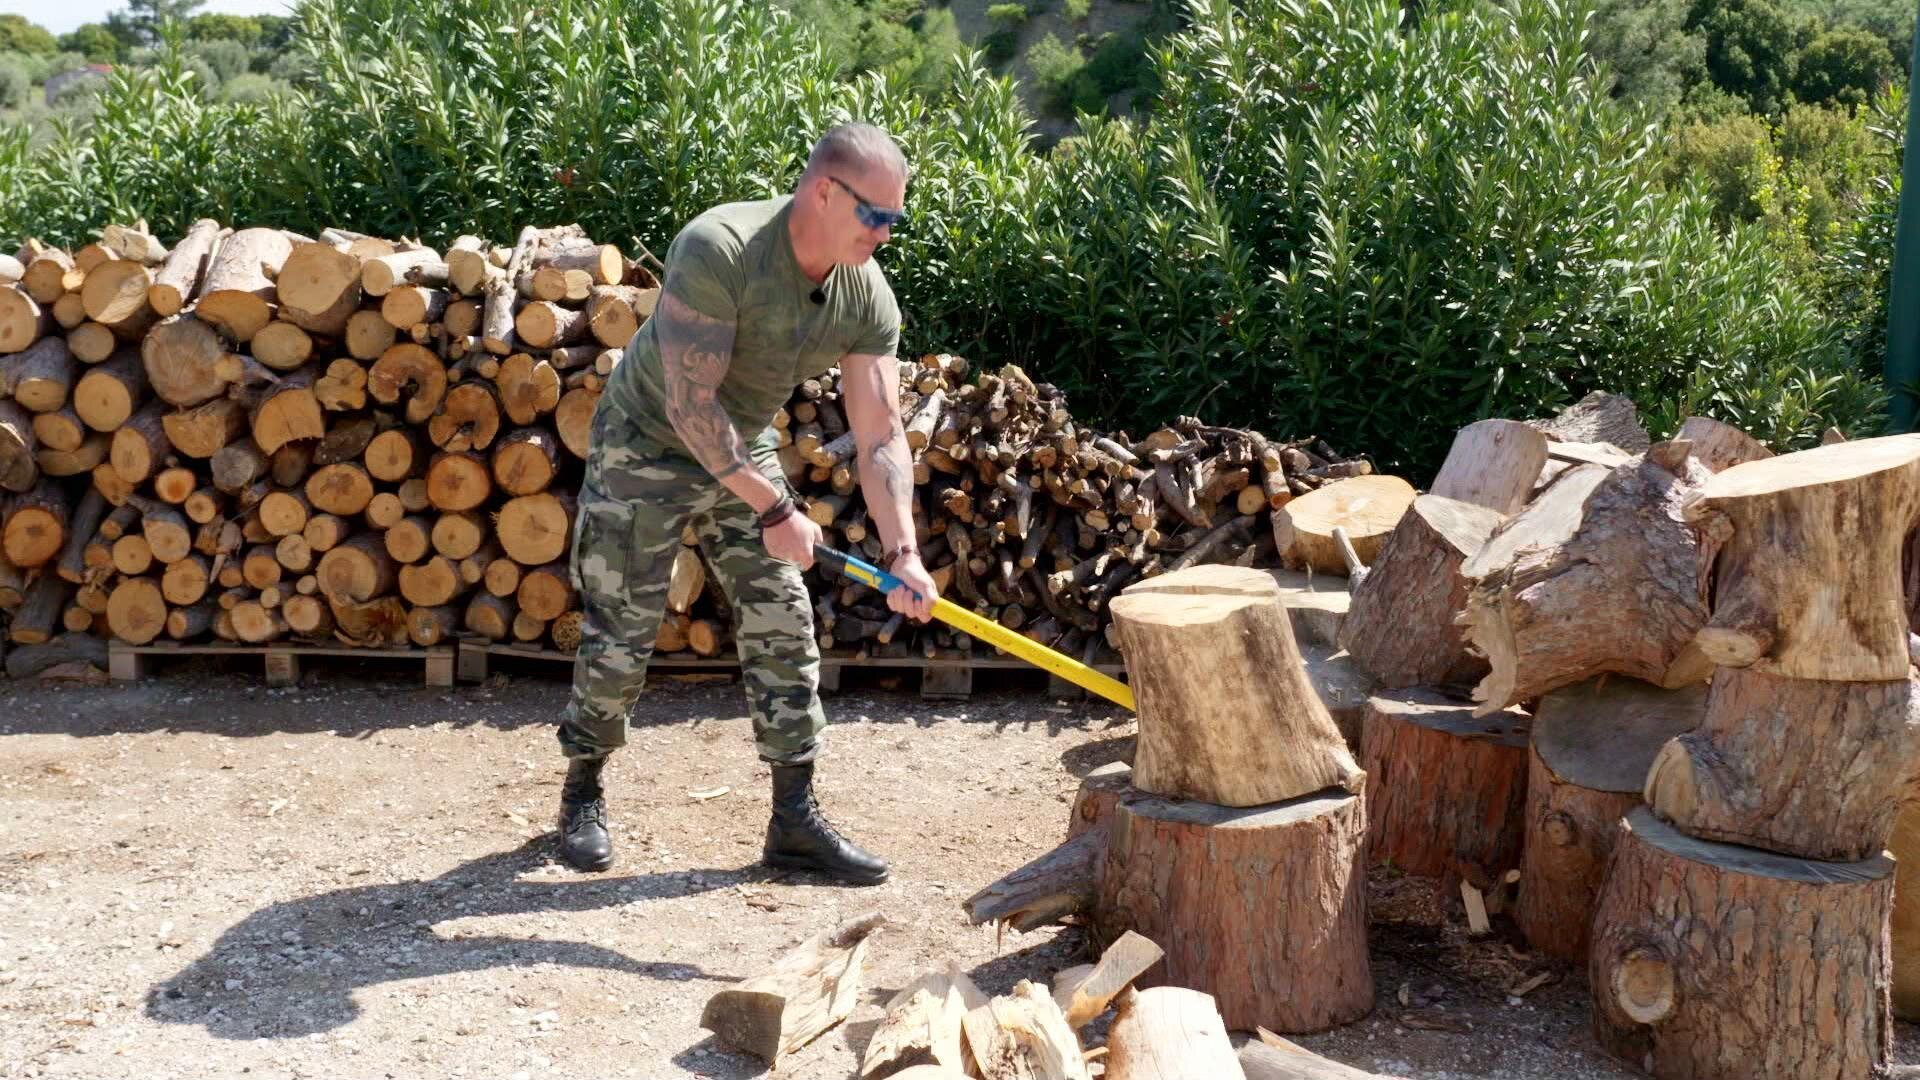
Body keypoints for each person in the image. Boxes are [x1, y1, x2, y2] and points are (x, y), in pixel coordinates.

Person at [552, 123, 938, 885]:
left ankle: (793, 822)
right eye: (876, 216)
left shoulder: (866, 296)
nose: (886, 234)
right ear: (824, 191)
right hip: (649, 440)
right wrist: (773, 509)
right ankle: (583, 789)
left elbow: (882, 434)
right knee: (622, 632)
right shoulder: (720, 248)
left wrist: (905, 553)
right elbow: (693, 410)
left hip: (743, 442)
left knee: (783, 620)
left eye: (896, 219)